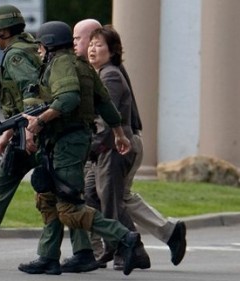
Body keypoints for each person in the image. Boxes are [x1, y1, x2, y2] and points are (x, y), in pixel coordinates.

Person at [0, 5, 97, 273]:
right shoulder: (32, 47)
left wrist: (24, 133)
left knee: (0, 188)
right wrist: (7, 131)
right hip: (49, 131)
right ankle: (83, 252)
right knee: (64, 193)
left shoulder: (15, 57)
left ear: (2, 31)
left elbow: (32, 95)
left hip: (34, 133)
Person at [17, 20, 147, 277]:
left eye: (41, 46)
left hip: (66, 142)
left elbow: (68, 99)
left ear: (49, 45)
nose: (39, 51)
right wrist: (120, 134)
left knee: (70, 207)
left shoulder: (61, 66)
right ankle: (49, 257)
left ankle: (125, 238)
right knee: (49, 199)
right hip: (71, 142)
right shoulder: (83, 67)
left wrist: (39, 123)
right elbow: (106, 104)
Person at [73, 19, 187, 269]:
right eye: (89, 44)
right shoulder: (100, 73)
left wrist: (88, 148)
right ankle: (150, 239)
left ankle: (129, 248)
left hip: (114, 146)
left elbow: (107, 117)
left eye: (97, 44)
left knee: (112, 199)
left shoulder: (110, 75)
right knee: (100, 195)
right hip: (110, 146)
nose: (90, 48)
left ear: (112, 51)